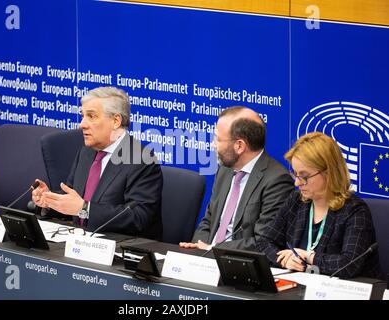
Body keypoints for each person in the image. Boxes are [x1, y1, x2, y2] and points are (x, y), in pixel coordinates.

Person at [32, 86, 163, 240]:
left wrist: (84, 209)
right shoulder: (87, 152)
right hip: (79, 242)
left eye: (91, 116)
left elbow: (138, 218)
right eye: (82, 116)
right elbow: (76, 200)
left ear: (115, 121)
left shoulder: (141, 160)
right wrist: (50, 200)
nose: (82, 124)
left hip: (118, 250)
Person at [256, 132, 381, 278]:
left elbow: (349, 264)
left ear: (329, 172)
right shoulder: (296, 200)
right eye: (295, 174)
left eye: (304, 176)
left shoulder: (355, 210)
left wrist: (309, 257)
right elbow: (264, 242)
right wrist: (285, 261)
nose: (297, 183)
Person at [180, 107, 293, 251]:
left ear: (239, 146)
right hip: (206, 259)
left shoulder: (277, 181)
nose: (213, 144)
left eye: (218, 139)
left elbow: (263, 241)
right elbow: (208, 221)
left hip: (237, 264)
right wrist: (197, 247)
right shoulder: (225, 170)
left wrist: (213, 249)